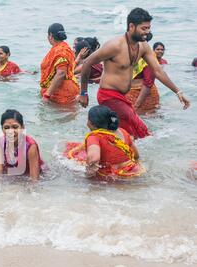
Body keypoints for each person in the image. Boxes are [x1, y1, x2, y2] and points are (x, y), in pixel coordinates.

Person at [78, 8, 190, 139]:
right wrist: (83, 93)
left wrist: (178, 92)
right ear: (131, 26)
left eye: (148, 28)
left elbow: (158, 71)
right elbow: (87, 63)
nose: (147, 32)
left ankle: (115, 153)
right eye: (144, 28)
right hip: (108, 96)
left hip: (122, 97)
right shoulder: (114, 45)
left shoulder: (143, 47)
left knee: (134, 132)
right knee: (141, 133)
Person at [65, 105, 145, 179]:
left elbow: (94, 159)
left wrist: (87, 176)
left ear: (91, 123)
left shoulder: (94, 137)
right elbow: (136, 155)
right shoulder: (122, 131)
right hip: (132, 171)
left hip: (113, 177)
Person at [0, 109, 44, 181]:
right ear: (2, 129)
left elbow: (34, 180)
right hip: (13, 171)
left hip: (28, 173)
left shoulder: (31, 146)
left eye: (15, 127)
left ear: (22, 127)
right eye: (6, 128)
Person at [40, 23, 79, 106]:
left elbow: (61, 73)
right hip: (63, 89)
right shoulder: (64, 48)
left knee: (60, 118)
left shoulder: (60, 50)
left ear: (50, 35)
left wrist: (47, 95)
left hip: (62, 93)